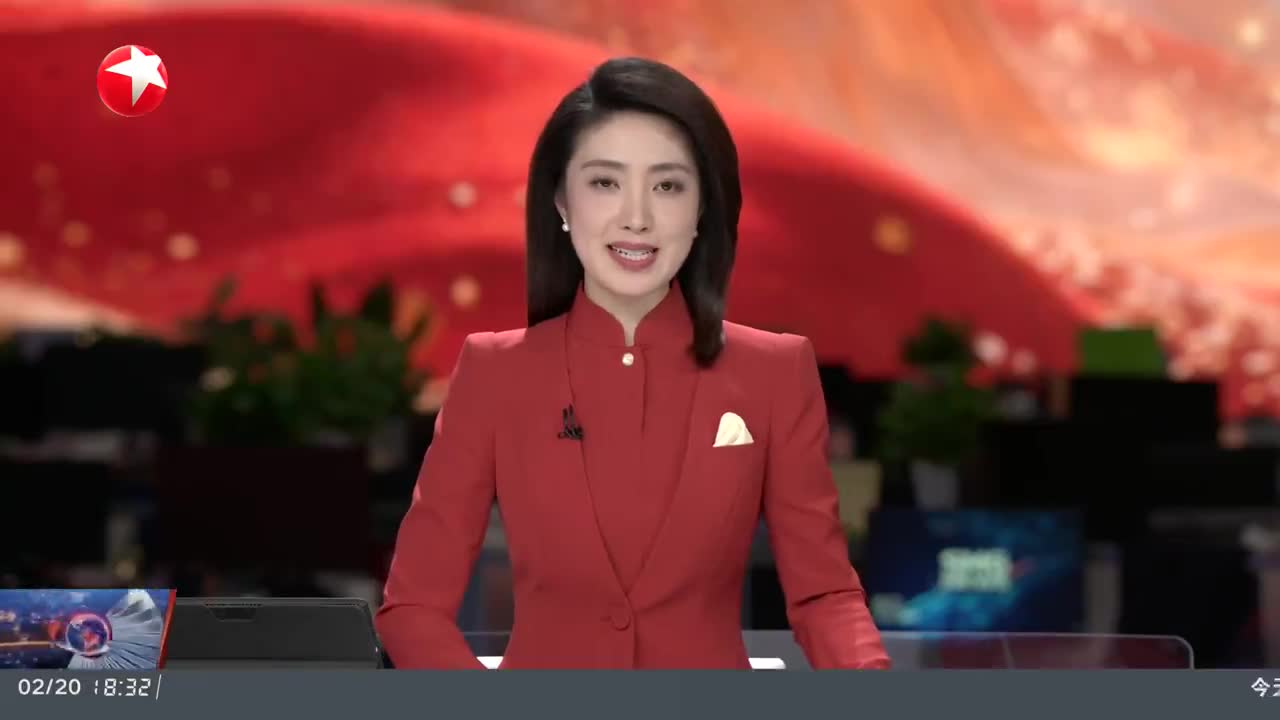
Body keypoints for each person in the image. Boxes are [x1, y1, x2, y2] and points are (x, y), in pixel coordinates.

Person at [376, 57, 890, 670]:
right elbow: (413, 607)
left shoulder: (774, 373)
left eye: (668, 186)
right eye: (605, 183)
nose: (637, 217)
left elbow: (824, 595)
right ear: (561, 202)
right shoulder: (494, 374)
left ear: (703, 209)